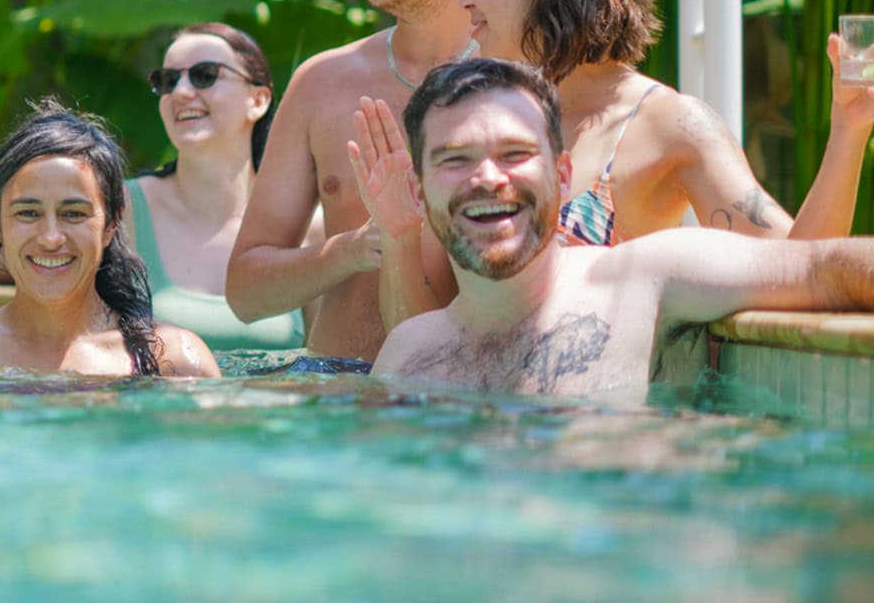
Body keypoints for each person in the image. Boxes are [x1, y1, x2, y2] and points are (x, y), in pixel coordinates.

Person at [352, 0, 874, 322]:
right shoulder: (483, 117)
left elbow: (803, 269)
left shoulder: (666, 124)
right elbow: (424, 343)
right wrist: (399, 236)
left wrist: (848, 132)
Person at [372, 57, 874, 403]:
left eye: (515, 154)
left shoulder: (648, 279)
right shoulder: (407, 356)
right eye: (456, 159)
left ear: (563, 175)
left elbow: (822, 268)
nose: (487, 177)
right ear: (418, 193)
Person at [225, 0, 492, 360]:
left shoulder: (523, 82)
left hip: (470, 400)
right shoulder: (322, 83)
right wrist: (348, 251)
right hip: (335, 394)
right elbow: (245, 292)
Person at [0, 102, 219, 377]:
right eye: (28, 213)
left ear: (111, 223)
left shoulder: (173, 359)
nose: (51, 238)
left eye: (73, 214)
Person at [124, 24, 308, 351]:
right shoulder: (121, 208)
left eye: (205, 75)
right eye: (167, 81)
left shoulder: (306, 225)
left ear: (258, 100)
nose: (180, 92)